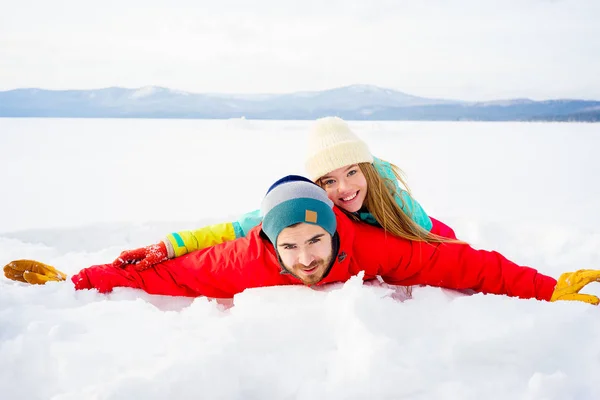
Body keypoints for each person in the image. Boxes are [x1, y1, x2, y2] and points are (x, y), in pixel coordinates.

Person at [4, 175, 600, 305]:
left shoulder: (366, 245)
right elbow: (162, 274)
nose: (306, 258)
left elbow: (464, 266)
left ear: (334, 231)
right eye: (290, 247)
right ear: (270, 242)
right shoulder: (244, 259)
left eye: (315, 241)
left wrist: (550, 289)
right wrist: (76, 281)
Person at [109, 116, 457, 272]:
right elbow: (240, 228)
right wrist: (173, 245)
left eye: (352, 172)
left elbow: (436, 246)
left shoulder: (395, 202)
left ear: (366, 169)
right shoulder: (313, 205)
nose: (345, 188)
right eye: (330, 181)